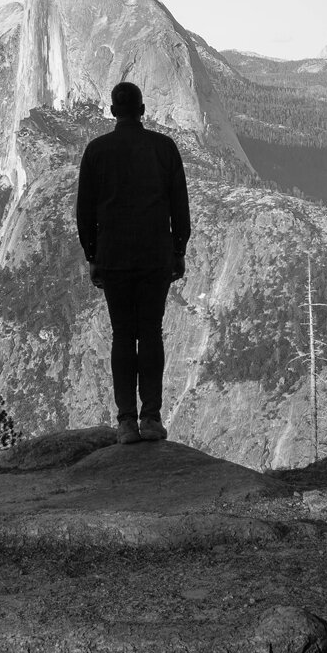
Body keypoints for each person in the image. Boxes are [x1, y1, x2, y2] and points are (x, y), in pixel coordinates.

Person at [75, 81, 191, 445]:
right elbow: (180, 206)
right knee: (151, 330)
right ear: (142, 110)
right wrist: (179, 250)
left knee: (123, 334)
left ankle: (126, 422)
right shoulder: (164, 148)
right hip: (155, 255)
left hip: (114, 258)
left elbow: (84, 213)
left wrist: (92, 255)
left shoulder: (96, 151)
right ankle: (151, 418)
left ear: (113, 112)